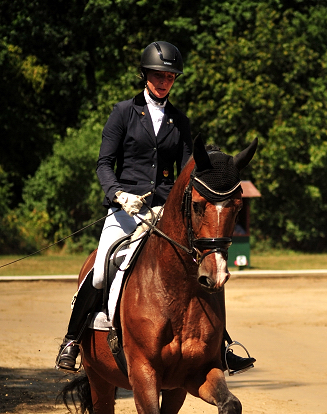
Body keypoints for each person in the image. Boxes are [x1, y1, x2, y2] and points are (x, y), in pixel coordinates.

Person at [56, 40, 255, 375]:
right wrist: (119, 194)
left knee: (199, 270)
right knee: (104, 266)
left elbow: (185, 173)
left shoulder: (180, 121)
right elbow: (104, 164)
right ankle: (72, 339)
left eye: (169, 76)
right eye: (157, 75)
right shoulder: (123, 113)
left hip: (163, 212)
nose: (164, 81)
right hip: (125, 208)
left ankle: (220, 346)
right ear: (145, 75)